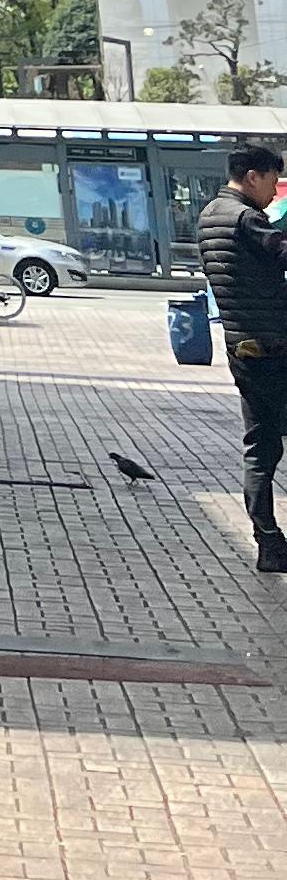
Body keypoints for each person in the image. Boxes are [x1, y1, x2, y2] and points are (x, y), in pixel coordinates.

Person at [196, 141, 287, 569]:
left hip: (242, 346)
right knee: (264, 446)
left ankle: (268, 539)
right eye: (272, 180)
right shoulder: (246, 218)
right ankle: (270, 541)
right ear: (252, 176)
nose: (274, 190)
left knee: (260, 444)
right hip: (272, 346)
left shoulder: (209, 215)